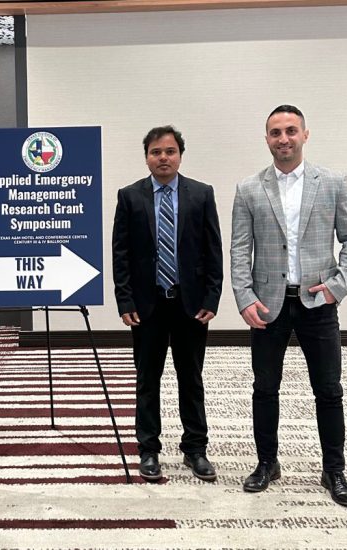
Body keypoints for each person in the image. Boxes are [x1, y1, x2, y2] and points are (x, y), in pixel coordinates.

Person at [230, 105, 347, 507]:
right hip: (267, 304)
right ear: (266, 138)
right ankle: (267, 463)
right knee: (264, 388)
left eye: (291, 131)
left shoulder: (333, 182)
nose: (283, 138)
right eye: (275, 132)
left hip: (317, 303)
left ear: (305, 134)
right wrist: (244, 296)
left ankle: (333, 469)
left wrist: (338, 286)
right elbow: (239, 249)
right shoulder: (249, 188)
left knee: (328, 389)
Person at [112, 125, 223, 482]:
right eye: (156, 152)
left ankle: (195, 449)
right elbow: (121, 254)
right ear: (146, 157)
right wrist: (124, 298)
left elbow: (212, 250)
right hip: (148, 305)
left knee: (191, 377)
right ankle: (148, 449)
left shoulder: (201, 194)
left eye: (170, 151)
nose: (163, 158)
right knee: (147, 380)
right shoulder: (129, 196)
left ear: (180, 155)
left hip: (191, 305)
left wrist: (212, 296)